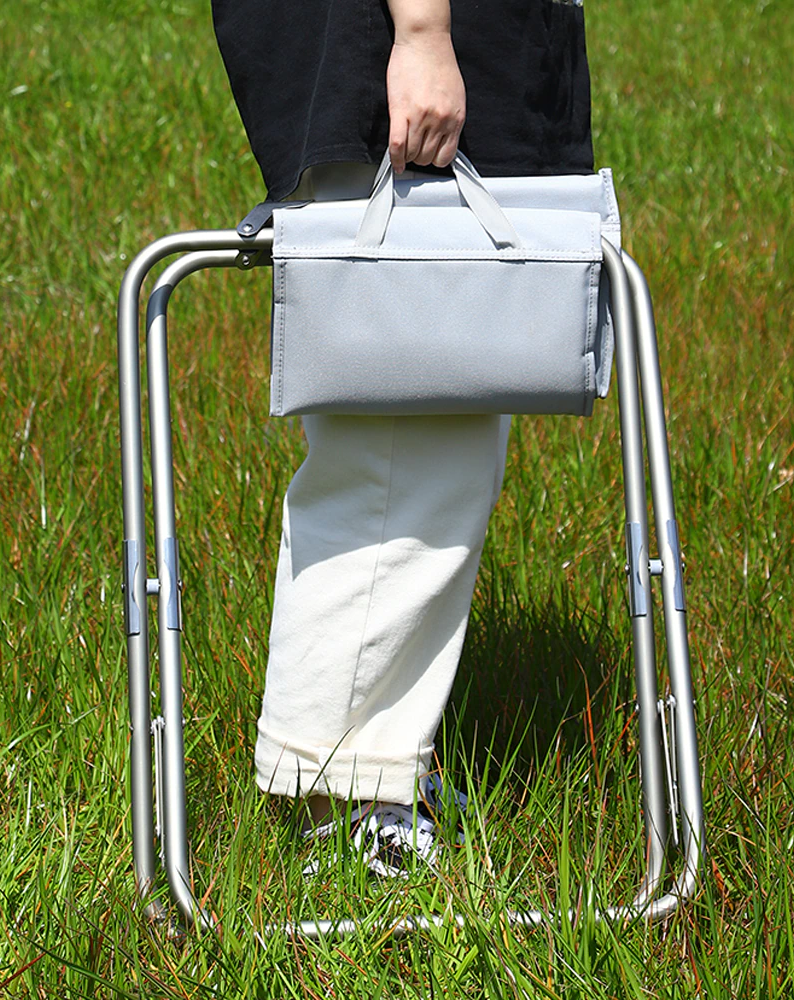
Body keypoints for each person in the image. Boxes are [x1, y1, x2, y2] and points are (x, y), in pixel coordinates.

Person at [212, 0, 594, 871]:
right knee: (399, 451)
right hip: (393, 41)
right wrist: (422, 34)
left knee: (442, 435)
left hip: (429, 42)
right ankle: (339, 793)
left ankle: (380, 768)